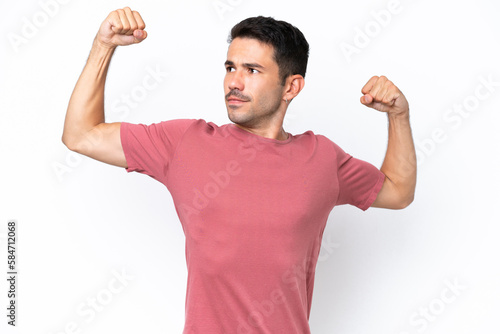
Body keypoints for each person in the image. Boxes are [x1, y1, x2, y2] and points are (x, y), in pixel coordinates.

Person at [62, 7, 416, 334]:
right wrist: (103, 45)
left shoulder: (322, 159)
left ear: (291, 87)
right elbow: (81, 135)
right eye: (231, 67)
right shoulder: (185, 142)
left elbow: (399, 191)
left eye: (252, 70)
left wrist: (399, 115)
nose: (234, 81)